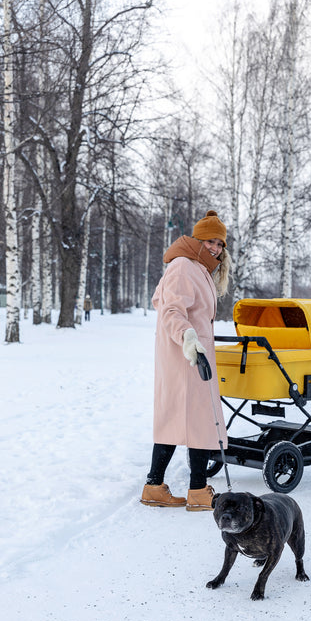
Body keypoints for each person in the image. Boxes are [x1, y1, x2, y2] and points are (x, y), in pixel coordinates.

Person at [141, 210, 231, 511]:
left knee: (179, 419)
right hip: (187, 355)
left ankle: (155, 486)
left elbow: (161, 300)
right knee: (200, 420)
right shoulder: (183, 266)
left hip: (188, 354)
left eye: (220, 243)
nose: (216, 248)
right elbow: (170, 310)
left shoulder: (197, 268)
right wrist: (190, 340)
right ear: (198, 240)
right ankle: (197, 491)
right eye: (210, 241)